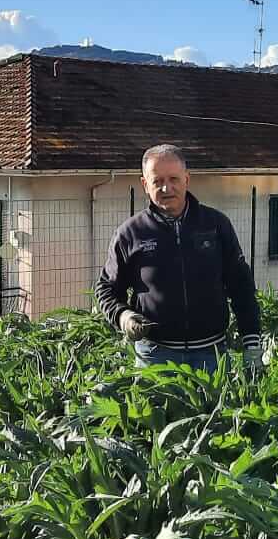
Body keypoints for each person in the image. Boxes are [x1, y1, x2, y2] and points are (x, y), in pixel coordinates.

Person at [95, 144, 262, 371]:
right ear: (145, 184)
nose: (167, 187)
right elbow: (106, 289)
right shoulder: (130, 233)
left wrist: (251, 342)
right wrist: (123, 316)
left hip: (211, 355)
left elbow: (241, 285)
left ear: (187, 179)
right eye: (157, 181)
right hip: (154, 356)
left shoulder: (215, 225)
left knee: (212, 408)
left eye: (174, 178)